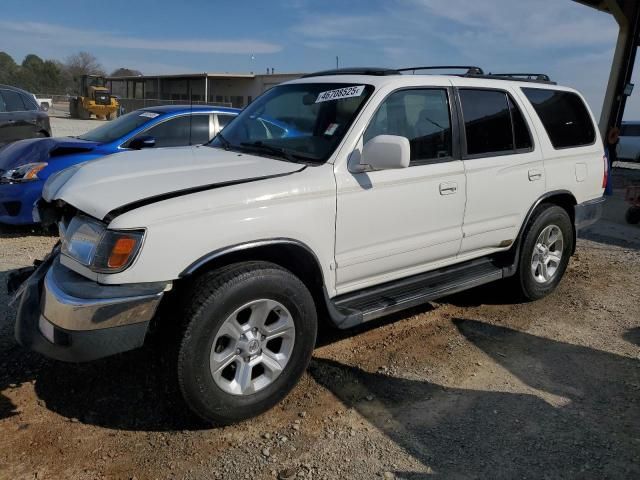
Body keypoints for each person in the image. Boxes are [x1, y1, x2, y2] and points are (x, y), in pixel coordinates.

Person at [604, 126, 619, 196]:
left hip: (610, 155)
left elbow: (610, 141)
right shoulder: (615, 137)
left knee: (608, 169)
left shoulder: (614, 137)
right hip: (611, 154)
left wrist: (611, 132)